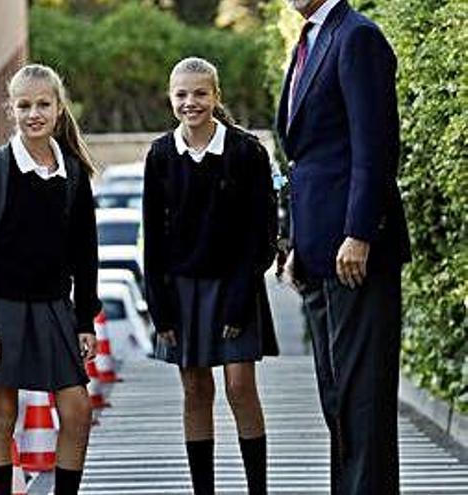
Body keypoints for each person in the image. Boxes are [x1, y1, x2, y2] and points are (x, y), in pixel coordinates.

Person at [276, 0, 411, 493]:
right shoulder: (310, 39)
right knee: (338, 402)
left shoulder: (357, 36)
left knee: (363, 403)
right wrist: (296, 242)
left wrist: (360, 232)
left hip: (357, 252)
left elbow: (375, 146)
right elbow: (308, 157)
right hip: (317, 253)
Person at [0, 64, 101, 495]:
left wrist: (84, 319)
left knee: (77, 410)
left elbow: (85, 252)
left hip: (56, 308)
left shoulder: (73, 174)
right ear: (11, 110)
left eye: (43, 104)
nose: (34, 113)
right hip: (0, 312)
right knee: (2, 414)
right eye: (24, 105)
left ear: (58, 109)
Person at [143, 57, 278, 495]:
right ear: (170, 98)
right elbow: (155, 240)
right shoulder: (160, 155)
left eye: (200, 93)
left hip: (236, 283)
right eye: (181, 94)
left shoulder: (247, 152)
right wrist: (160, 309)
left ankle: (258, 488)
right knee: (196, 390)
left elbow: (262, 235)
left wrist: (242, 297)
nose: (190, 102)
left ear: (216, 97)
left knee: (240, 387)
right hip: (182, 290)